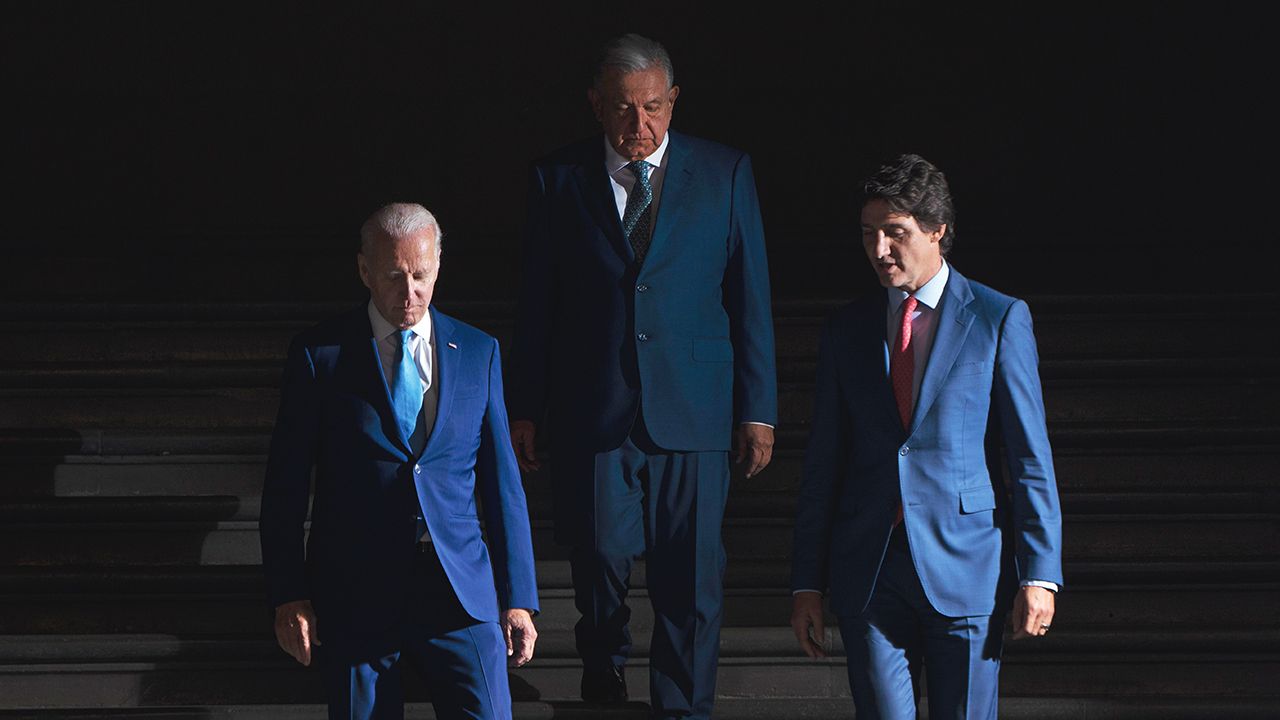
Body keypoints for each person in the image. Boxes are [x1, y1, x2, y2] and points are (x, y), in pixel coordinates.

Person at [507, 33, 777, 719]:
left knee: (692, 576)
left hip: (695, 406)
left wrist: (759, 408)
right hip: (595, 405)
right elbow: (536, 304)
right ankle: (604, 667)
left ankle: (684, 707)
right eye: (624, 110)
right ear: (597, 105)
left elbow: (751, 299)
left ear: (673, 100)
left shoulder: (724, 172)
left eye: (654, 107)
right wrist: (525, 406)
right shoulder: (557, 178)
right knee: (597, 555)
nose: (640, 126)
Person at [789, 155, 1063, 718]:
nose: (879, 250)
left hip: (966, 566)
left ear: (938, 231)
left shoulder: (997, 318)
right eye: (869, 234)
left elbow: (1029, 457)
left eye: (896, 233)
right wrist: (806, 585)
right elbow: (824, 463)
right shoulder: (847, 330)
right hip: (871, 568)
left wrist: (1039, 572)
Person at [260, 203, 539, 720]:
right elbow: (285, 485)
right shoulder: (321, 355)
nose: (408, 293)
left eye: (420, 275)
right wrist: (289, 593)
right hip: (356, 588)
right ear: (364, 270)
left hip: (457, 587)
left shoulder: (479, 352)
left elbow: (503, 486)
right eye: (393, 276)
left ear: (437, 268)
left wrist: (518, 596)